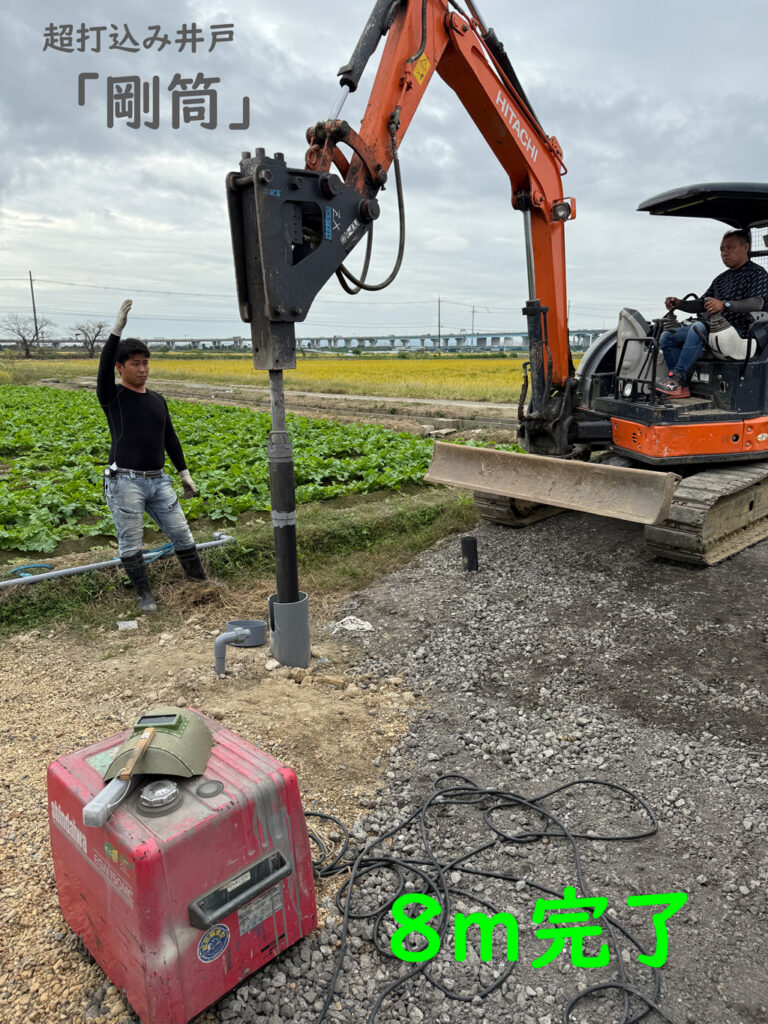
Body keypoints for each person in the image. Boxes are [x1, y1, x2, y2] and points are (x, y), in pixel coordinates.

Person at [97, 299, 206, 613]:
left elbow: (169, 437)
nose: (142, 369)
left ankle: (200, 583)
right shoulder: (113, 396)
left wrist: (184, 473)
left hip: (159, 481)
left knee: (181, 532)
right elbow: (103, 367)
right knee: (131, 541)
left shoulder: (157, 399)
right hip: (125, 481)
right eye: (135, 363)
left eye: (145, 363)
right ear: (121, 367)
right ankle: (145, 595)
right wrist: (117, 330)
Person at [657, 230, 768, 398]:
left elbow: (758, 302)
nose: (725, 253)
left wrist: (725, 305)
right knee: (667, 336)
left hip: (741, 332)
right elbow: (702, 303)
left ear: (745, 247)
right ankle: (682, 386)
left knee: (698, 328)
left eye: (730, 248)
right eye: (722, 250)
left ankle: (677, 377)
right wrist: (680, 304)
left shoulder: (758, 274)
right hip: (713, 329)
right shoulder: (721, 279)